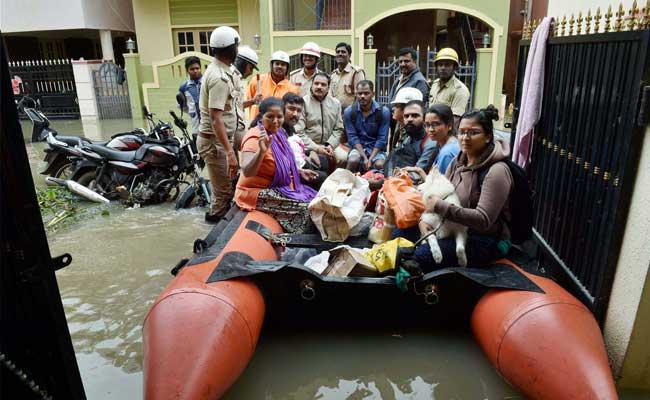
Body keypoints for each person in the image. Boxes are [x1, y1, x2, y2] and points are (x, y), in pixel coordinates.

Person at [392, 105, 513, 271]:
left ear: (488, 137)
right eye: (462, 132)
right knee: (399, 234)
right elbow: (440, 195)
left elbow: (483, 220)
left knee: (418, 257)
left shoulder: (497, 171)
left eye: (474, 132)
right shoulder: (458, 161)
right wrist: (423, 221)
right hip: (450, 226)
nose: (465, 138)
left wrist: (439, 206)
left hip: (480, 239)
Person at [235, 97, 318, 233]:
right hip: (254, 192)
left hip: (277, 186)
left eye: (279, 117)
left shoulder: (278, 133)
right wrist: (261, 151)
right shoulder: (254, 137)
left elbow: (280, 163)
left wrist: (298, 171)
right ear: (261, 117)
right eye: (270, 117)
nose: (275, 121)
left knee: (315, 200)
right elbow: (247, 171)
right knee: (307, 209)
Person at [198, 26, 244, 223]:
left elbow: (230, 109)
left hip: (221, 142)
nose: (238, 50)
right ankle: (211, 236)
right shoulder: (218, 77)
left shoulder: (226, 71)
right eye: (237, 46)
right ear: (230, 48)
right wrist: (230, 152)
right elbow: (216, 118)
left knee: (230, 186)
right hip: (215, 144)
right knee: (223, 193)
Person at [295, 72, 346, 168]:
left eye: (323, 84)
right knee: (318, 162)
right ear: (311, 85)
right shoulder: (303, 103)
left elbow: (338, 129)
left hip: (329, 144)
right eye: (316, 83)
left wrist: (330, 145)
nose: (319, 87)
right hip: (309, 145)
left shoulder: (335, 104)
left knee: (343, 158)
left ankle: (335, 181)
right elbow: (299, 131)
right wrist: (317, 148)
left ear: (328, 87)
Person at [281, 92, 328, 189]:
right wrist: (305, 163)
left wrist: (310, 152)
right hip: (288, 171)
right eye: (291, 109)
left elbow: (295, 147)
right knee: (322, 177)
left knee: (323, 160)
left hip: (297, 161)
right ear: (282, 108)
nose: (295, 114)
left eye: (299, 111)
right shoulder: (278, 128)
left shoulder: (290, 127)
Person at [343, 80, 390, 172]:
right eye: (360, 93)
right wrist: (364, 157)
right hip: (358, 148)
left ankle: (379, 185)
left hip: (376, 149)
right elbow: (352, 137)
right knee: (353, 160)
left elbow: (382, 139)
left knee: (380, 164)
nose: (362, 96)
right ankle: (345, 183)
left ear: (373, 94)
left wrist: (370, 158)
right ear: (356, 94)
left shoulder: (383, 112)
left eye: (366, 93)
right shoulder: (349, 112)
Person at [403, 103, 460, 177]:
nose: (430, 129)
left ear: (449, 126)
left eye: (436, 124)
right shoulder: (448, 145)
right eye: (427, 125)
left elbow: (439, 186)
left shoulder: (447, 153)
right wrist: (419, 170)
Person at [384, 100, 437, 175]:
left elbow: (417, 174)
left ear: (424, 119)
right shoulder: (408, 138)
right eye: (406, 116)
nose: (409, 119)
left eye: (415, 115)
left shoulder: (430, 143)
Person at [246, 50, 298, 122]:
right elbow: (246, 103)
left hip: (278, 127)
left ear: (287, 68)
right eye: (277, 63)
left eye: (283, 64)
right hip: (257, 126)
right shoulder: (257, 81)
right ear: (272, 65)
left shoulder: (292, 89)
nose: (279, 66)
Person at [428, 48, 471, 123]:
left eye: (447, 65)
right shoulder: (435, 84)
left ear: (454, 67)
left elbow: (455, 121)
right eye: (440, 65)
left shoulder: (460, 90)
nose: (443, 68)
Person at [232, 45, 259, 152]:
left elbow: (238, 104)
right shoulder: (231, 78)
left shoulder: (238, 79)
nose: (251, 72)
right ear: (242, 63)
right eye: (250, 68)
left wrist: (253, 101)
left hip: (236, 129)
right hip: (229, 133)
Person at [330, 42, 365, 111]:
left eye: (343, 52)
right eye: (338, 52)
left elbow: (361, 97)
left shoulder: (356, 72)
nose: (340, 54)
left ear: (349, 55)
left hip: (351, 115)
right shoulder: (333, 75)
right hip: (335, 114)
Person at [388, 87, 423, 152]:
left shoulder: (414, 134)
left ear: (406, 109)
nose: (393, 109)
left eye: (396, 106)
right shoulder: (400, 125)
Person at [178, 56, 202, 136]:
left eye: (197, 68)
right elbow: (181, 106)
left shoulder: (207, 83)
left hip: (211, 126)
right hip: (196, 128)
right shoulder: (184, 87)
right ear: (187, 71)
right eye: (192, 69)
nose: (195, 71)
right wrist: (192, 112)